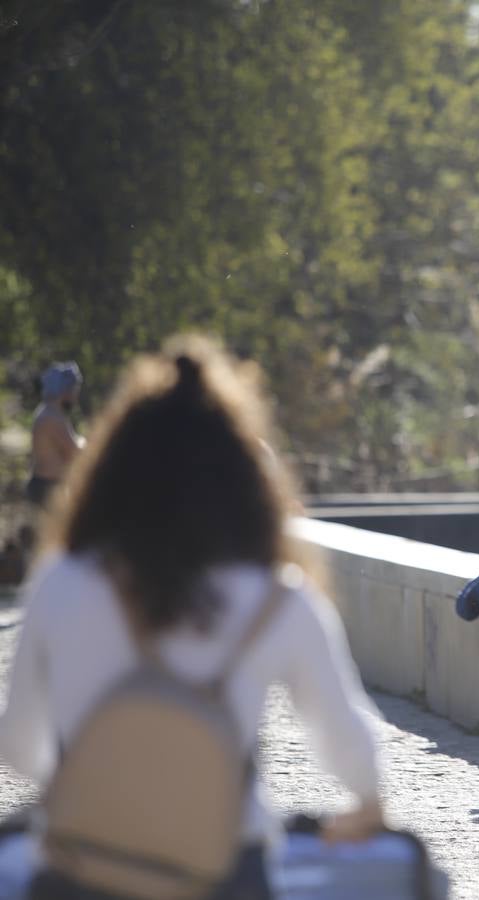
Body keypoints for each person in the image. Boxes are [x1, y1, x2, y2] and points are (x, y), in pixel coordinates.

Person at [0, 336, 385, 896]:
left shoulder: (62, 582)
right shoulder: (279, 598)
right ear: (244, 479)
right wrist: (368, 806)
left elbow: (17, 743)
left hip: (85, 864)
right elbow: (347, 737)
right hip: (226, 866)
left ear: (113, 473)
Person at [27, 362, 84, 507]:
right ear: (65, 391)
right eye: (74, 390)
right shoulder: (52, 417)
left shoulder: (49, 413)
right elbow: (74, 451)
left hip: (45, 486)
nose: (76, 396)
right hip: (47, 488)